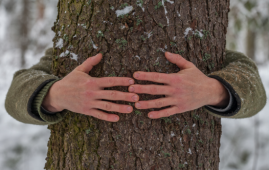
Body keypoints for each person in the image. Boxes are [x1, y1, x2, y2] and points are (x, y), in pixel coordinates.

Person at [5, 49, 267, 125]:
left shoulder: (208, 49)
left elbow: (254, 88)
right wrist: (54, 94)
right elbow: (15, 95)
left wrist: (215, 91)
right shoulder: (70, 50)